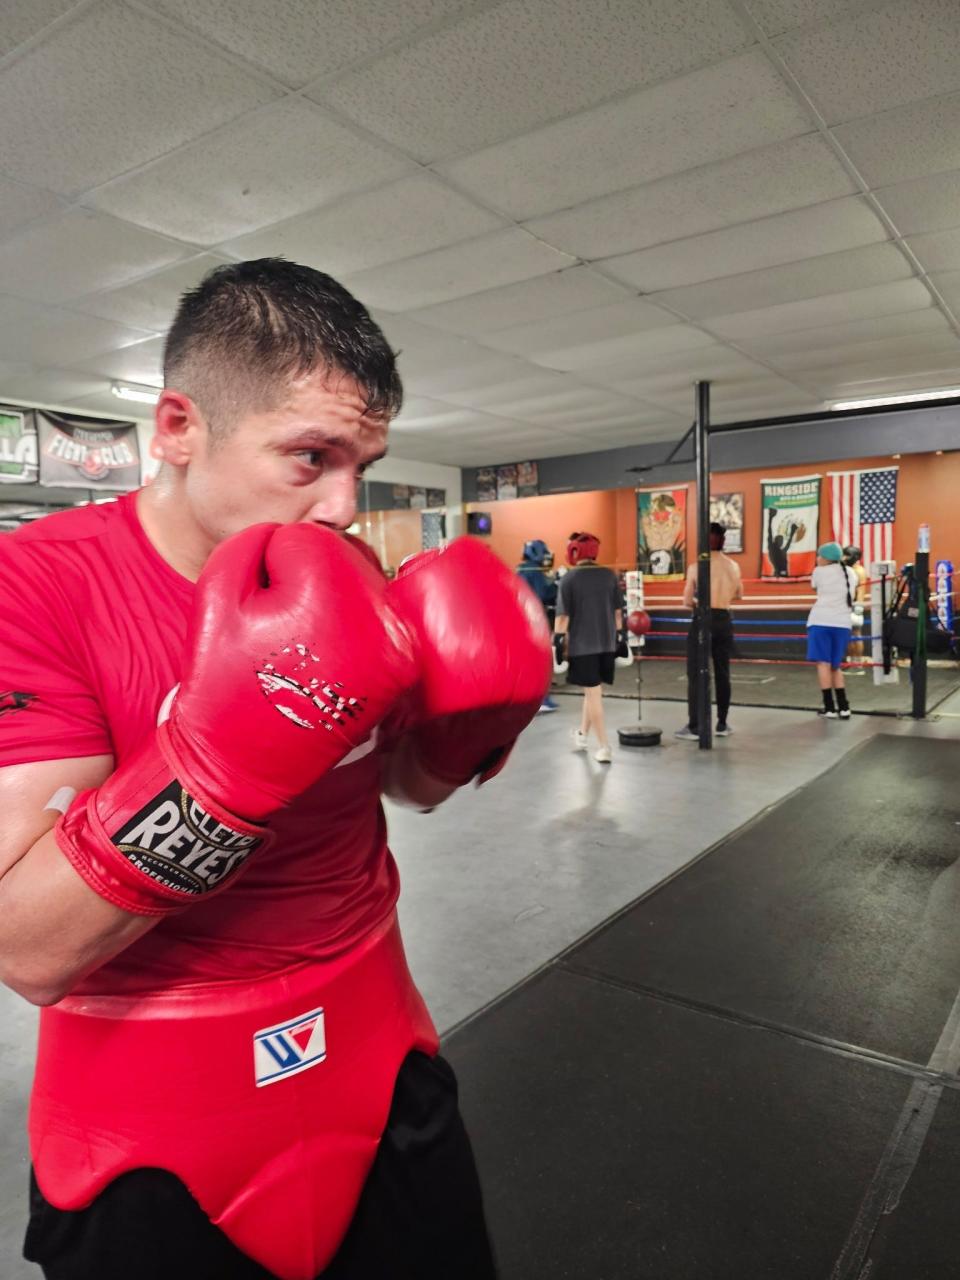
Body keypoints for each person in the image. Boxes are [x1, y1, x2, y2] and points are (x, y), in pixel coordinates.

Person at [0, 258, 552, 1280]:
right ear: (177, 427)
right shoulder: (37, 588)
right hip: (149, 1107)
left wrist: (461, 732)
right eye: (311, 456)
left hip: (378, 1046)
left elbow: (400, 788)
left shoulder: (344, 571)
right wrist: (215, 770)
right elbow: (26, 944)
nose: (345, 506)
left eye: (364, 463)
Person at [554, 532, 621, 764]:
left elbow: (562, 617)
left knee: (593, 693)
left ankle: (604, 746)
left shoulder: (569, 579)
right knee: (591, 691)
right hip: (607, 643)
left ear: (575, 551)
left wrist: (557, 641)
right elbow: (618, 612)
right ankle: (582, 735)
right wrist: (620, 638)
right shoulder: (609, 576)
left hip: (583, 646)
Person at [676, 523, 743, 741]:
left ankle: (695, 726)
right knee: (723, 672)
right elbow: (739, 594)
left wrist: (702, 600)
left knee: (696, 673)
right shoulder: (733, 566)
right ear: (723, 541)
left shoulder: (696, 567)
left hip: (703, 619)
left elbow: (687, 601)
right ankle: (722, 724)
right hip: (724, 619)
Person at [807, 540, 858, 719]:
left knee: (823, 664)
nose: (817, 558)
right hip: (842, 624)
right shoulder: (851, 573)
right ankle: (844, 707)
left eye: (820, 555)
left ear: (827, 558)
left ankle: (829, 708)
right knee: (836, 666)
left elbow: (815, 588)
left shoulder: (818, 572)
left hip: (821, 621)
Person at [517, 539, 558, 713]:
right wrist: (557, 585)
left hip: (523, 621)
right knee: (541, 662)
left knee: (529, 662)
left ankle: (532, 699)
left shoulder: (521, 569)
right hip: (535, 622)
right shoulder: (533, 571)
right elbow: (543, 594)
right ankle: (541, 700)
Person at [843, 545, 869, 670]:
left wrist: (858, 606)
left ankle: (857, 663)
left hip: (855, 605)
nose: (844, 557)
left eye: (847, 555)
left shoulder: (859, 570)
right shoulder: (848, 569)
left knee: (856, 633)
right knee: (848, 635)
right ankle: (851, 661)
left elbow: (861, 590)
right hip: (846, 605)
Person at [767, 507, 800, 578]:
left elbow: (788, 543)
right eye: (780, 540)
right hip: (777, 575)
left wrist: (792, 532)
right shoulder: (772, 548)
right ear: (776, 540)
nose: (782, 542)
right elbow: (769, 532)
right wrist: (770, 517)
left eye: (782, 541)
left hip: (784, 574)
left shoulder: (782, 551)